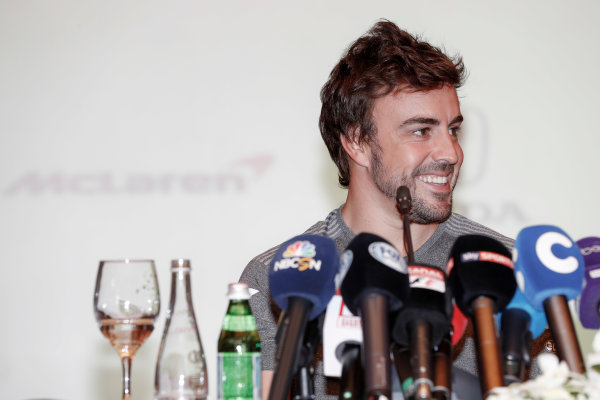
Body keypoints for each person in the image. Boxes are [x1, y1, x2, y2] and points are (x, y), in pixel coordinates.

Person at [240, 20, 547, 399]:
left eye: (453, 129)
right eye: (421, 130)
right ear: (357, 141)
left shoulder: (504, 271)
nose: (451, 153)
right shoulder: (280, 279)